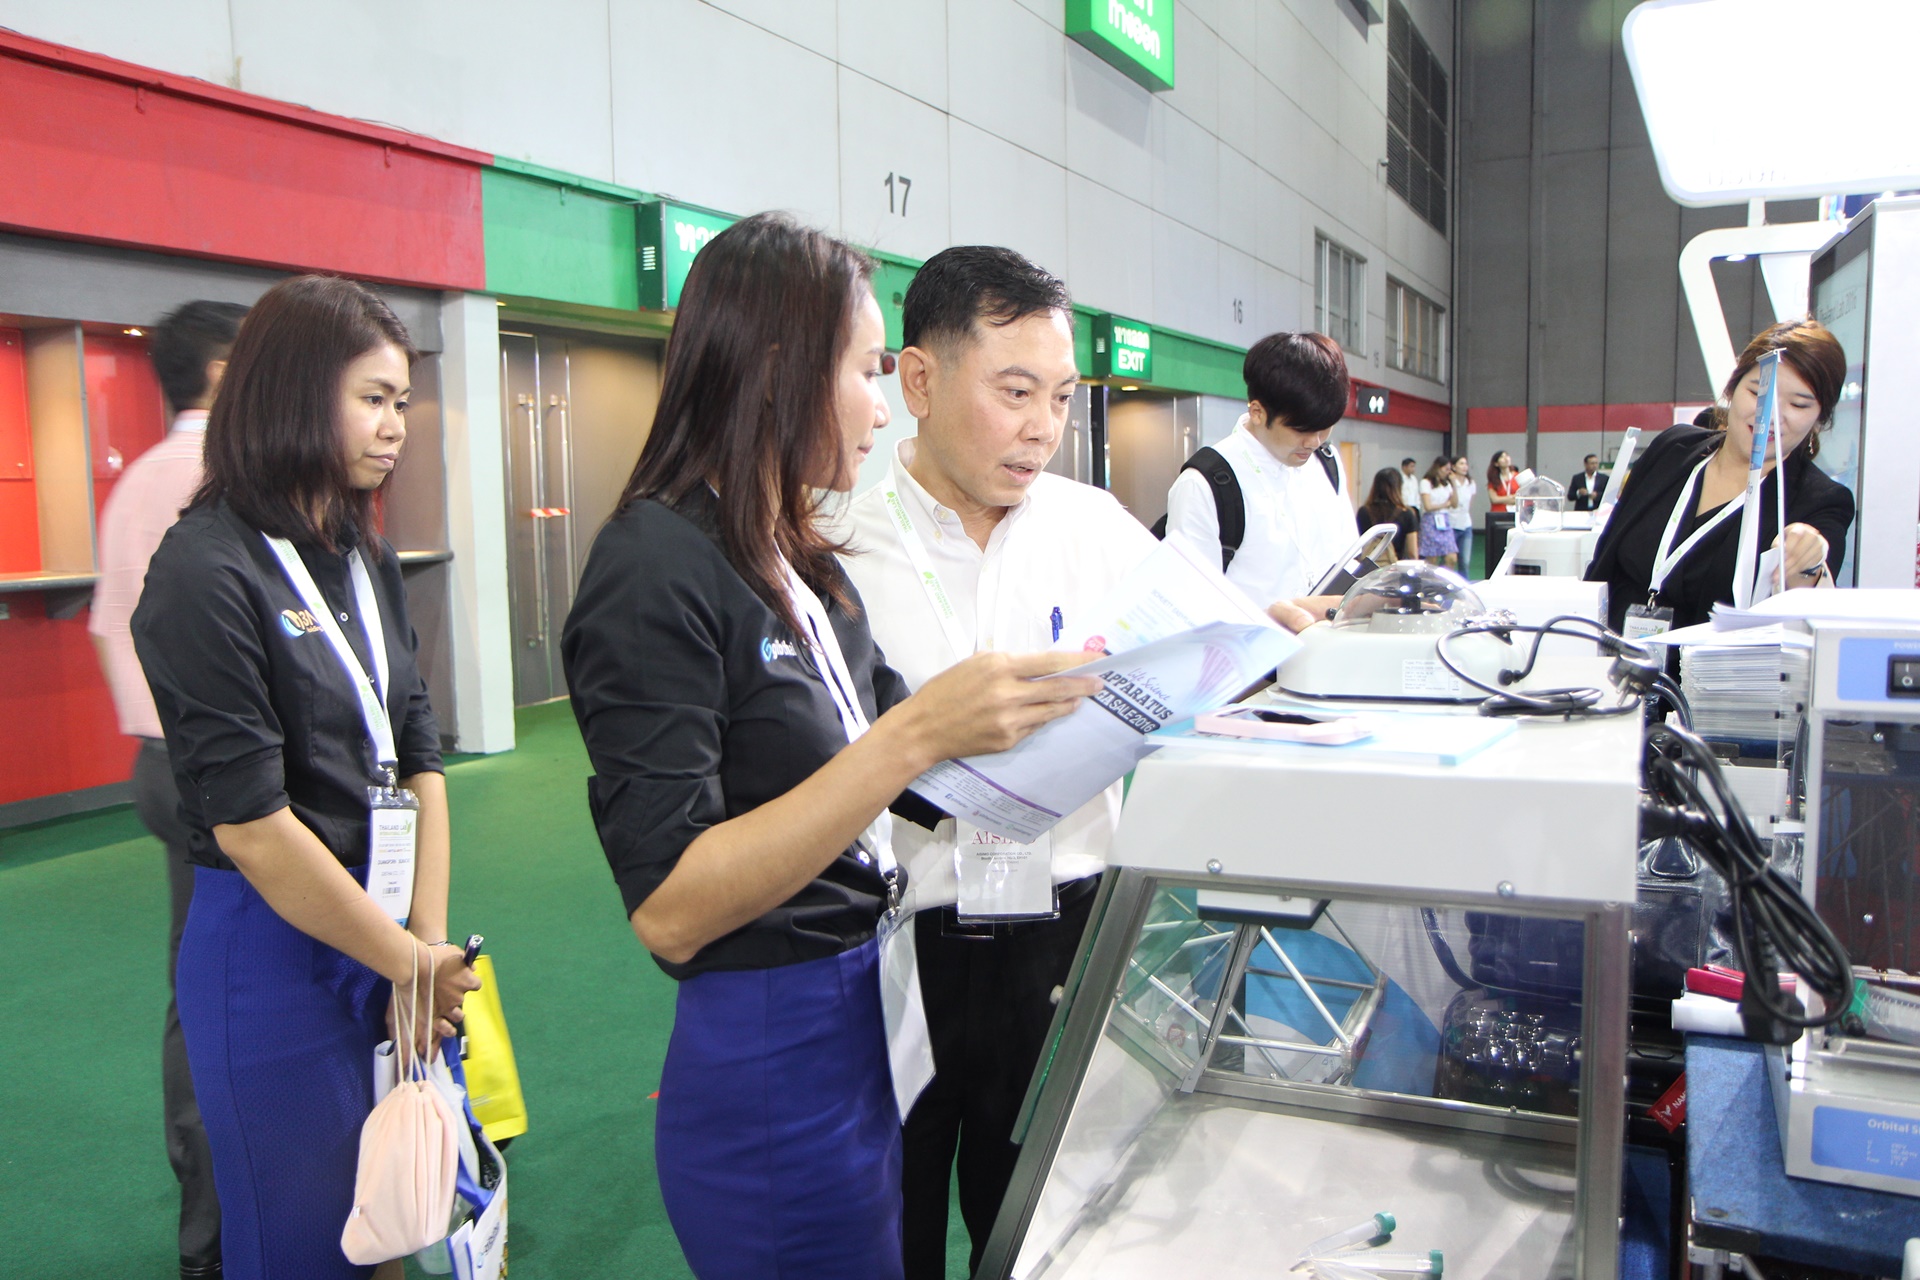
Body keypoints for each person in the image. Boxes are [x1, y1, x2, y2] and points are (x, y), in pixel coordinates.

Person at [560, 214, 1098, 1280]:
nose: (882, 405)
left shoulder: (796, 557)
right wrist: (913, 733)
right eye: (864, 370)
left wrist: (1112, 711)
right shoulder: (654, 565)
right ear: (779, 371)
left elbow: (935, 778)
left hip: (865, 1013)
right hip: (773, 1044)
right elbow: (670, 905)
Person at [132, 276, 479, 1280]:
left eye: (401, 401)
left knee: (396, 1219)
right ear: (292, 393)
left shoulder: (363, 555)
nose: (395, 425)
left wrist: (423, 945)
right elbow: (251, 825)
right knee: (307, 1246)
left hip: (386, 936)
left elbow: (420, 749)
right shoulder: (205, 568)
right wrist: (407, 962)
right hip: (272, 953)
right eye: (372, 399)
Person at [829, 246, 1161, 1279]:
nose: (1042, 427)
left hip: (1063, 930)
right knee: (894, 1229)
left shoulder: (1097, 529)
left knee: (1041, 1231)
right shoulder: (832, 542)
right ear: (919, 381)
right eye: (1015, 392)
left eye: (1060, 397)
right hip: (893, 943)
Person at [89, 299, 248, 1280]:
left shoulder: (139, 481)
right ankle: (222, 1230)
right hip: (213, 771)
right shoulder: (217, 480)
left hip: (159, 760)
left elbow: (109, 626)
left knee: (200, 984)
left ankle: (214, 1216)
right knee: (230, 991)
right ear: (225, 374)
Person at [1586, 318, 1855, 635]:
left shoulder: (1820, 502)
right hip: (1608, 655)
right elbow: (1605, 560)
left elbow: (1805, 618)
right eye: (1758, 392)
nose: (1770, 414)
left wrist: (1807, 564)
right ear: (1732, 389)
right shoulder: (1672, 449)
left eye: (1798, 404)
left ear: (1819, 420)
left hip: (1701, 667)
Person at [1162, 331, 1353, 607]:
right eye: (1301, 429)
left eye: (1324, 428)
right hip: (1253, 635)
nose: (1314, 442)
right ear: (1257, 412)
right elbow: (1191, 607)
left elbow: (1348, 558)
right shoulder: (1204, 485)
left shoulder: (1327, 462)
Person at [1358, 466, 1420, 561]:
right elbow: (1412, 553)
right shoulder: (1407, 513)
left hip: (1368, 567)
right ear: (1399, 487)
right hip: (1394, 567)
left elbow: (1358, 544)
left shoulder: (1364, 511)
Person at [1417, 456, 1458, 568]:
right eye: (1446, 469)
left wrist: (1454, 484)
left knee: (1452, 557)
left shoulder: (1446, 484)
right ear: (1438, 468)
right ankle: (1430, 578)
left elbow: (1454, 504)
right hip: (1430, 520)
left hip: (1444, 520)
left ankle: (1446, 577)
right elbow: (1428, 506)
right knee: (1432, 558)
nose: (1448, 472)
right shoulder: (1426, 482)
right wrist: (1445, 504)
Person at [1448, 455, 1477, 578]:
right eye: (1461, 464)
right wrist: (1453, 482)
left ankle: (1464, 585)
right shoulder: (1448, 483)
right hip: (1451, 524)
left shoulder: (1470, 483)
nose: (1465, 466)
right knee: (1450, 560)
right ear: (1453, 467)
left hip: (1466, 525)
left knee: (1465, 561)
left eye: (1465, 464)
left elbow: (1469, 504)